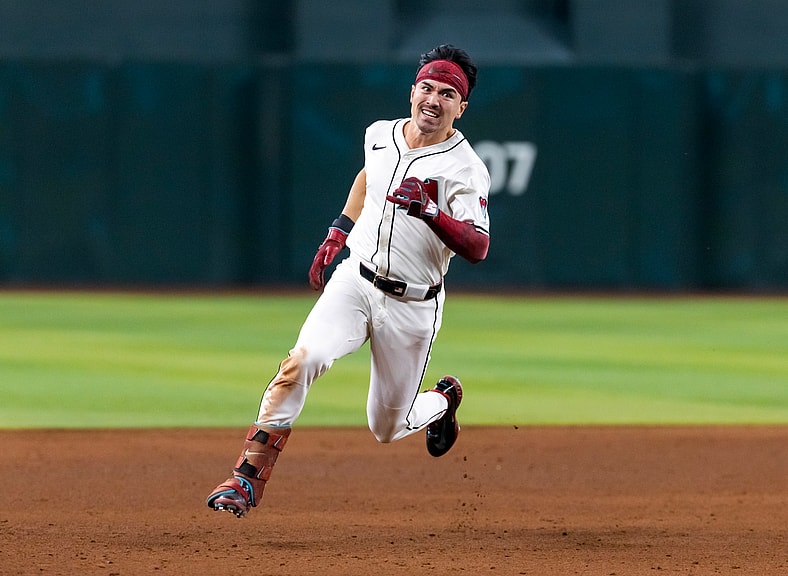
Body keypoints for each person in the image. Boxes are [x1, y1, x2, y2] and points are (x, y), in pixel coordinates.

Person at [207, 44, 491, 518]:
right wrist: (339, 230)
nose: (433, 99)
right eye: (426, 87)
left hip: (413, 304)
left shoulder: (466, 169)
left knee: (387, 427)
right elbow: (369, 177)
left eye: (447, 93)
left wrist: (430, 211)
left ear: (461, 108)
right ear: (412, 92)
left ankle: (442, 400)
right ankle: (246, 479)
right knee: (304, 359)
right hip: (355, 282)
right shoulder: (380, 134)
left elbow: (479, 246)